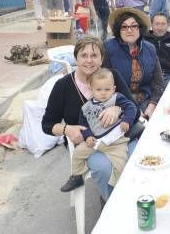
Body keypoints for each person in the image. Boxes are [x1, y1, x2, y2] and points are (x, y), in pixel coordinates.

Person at [41, 36, 141, 198]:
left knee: (137, 159)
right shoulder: (63, 86)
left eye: (94, 55)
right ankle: (112, 203)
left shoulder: (111, 76)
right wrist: (67, 129)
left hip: (120, 136)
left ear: (102, 58)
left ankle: (134, 198)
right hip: (90, 142)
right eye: (84, 55)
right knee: (104, 168)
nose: (89, 60)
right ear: (76, 58)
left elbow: (134, 110)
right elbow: (47, 124)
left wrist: (117, 110)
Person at [70, 68, 138, 192]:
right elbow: (84, 124)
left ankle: (119, 188)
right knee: (78, 153)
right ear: (91, 89)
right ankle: (77, 175)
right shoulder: (86, 107)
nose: (103, 93)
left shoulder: (117, 98)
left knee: (121, 163)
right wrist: (88, 136)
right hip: (95, 142)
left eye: (107, 89)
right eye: (99, 89)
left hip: (116, 143)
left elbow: (131, 107)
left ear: (113, 88)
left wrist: (126, 120)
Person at [103, 8, 164, 118]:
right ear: (118, 30)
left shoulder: (150, 48)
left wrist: (152, 105)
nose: (129, 30)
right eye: (124, 27)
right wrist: (133, 110)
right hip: (118, 105)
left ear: (140, 28)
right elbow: (103, 86)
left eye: (134, 26)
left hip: (146, 101)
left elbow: (158, 83)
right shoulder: (108, 48)